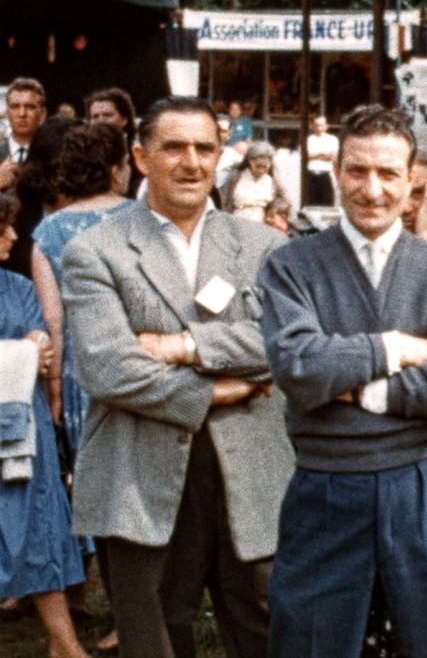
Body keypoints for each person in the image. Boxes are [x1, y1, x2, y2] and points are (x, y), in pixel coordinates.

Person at [61, 96, 294, 658]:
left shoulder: (265, 246)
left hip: (252, 471)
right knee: (154, 633)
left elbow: (283, 341)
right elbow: (108, 367)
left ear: (220, 156)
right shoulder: (95, 250)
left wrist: (183, 346)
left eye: (204, 148)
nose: (191, 162)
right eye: (174, 148)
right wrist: (218, 389)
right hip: (138, 474)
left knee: (267, 626)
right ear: (141, 157)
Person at [259, 104, 427, 657]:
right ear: (336, 172)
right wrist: (396, 348)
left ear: (411, 182)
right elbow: (298, 367)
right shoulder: (292, 266)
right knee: (310, 644)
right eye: (357, 171)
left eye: (388, 173)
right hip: (326, 482)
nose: (372, 189)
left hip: (420, 480)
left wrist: (361, 387)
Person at [0, 192, 89, 658]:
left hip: (22, 431)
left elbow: (42, 344)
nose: (13, 236)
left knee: (39, 526)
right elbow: (27, 353)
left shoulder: (17, 286)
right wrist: (22, 353)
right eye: (4, 228)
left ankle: (65, 643)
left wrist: (36, 343)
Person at [32, 122, 134, 463]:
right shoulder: (145, 219)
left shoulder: (48, 232)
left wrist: (55, 388)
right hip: (139, 356)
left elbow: (53, 320)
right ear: (115, 169)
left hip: (82, 368)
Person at [0, 78, 48, 277]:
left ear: (42, 114)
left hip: (41, 258)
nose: (22, 113)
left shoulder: (55, 156)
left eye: (29, 107)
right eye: (15, 106)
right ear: (6, 112)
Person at [220, 141, 291, 230]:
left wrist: (273, 210)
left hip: (261, 226)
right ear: (250, 161)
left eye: (265, 167)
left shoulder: (272, 181)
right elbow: (223, 201)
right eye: (258, 166)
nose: (261, 171)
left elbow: (285, 201)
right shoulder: (235, 178)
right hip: (236, 223)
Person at [86, 86, 142, 196]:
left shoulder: (138, 151)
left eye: (107, 115)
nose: (101, 121)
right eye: (95, 117)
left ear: (124, 120)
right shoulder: (82, 154)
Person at [305, 114, 339, 206]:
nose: (319, 128)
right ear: (312, 126)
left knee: (327, 203)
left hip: (326, 175)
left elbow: (332, 156)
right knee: (311, 204)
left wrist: (314, 155)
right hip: (311, 175)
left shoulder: (332, 139)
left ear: (326, 126)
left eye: (321, 125)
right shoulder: (308, 140)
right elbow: (306, 156)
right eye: (316, 125)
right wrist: (322, 154)